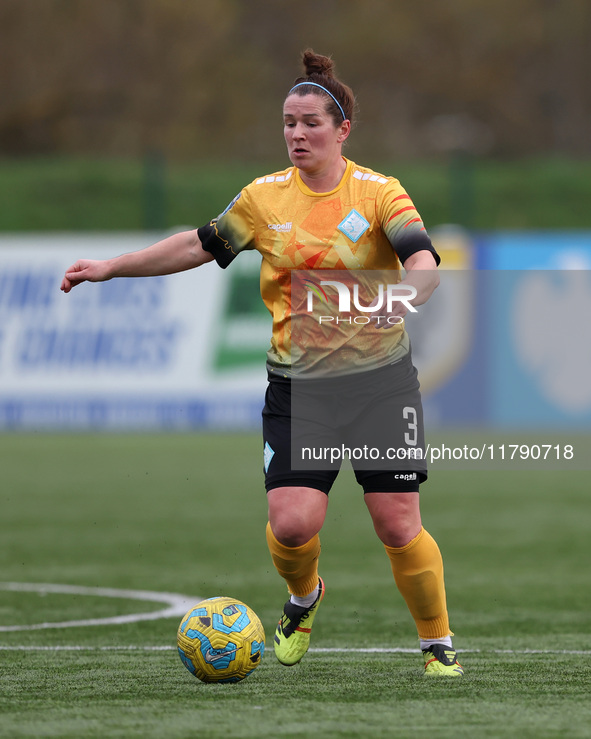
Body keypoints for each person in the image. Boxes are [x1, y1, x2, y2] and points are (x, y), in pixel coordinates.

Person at [61, 49, 463, 677]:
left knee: (395, 522)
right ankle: (303, 599)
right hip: (301, 389)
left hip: (382, 385)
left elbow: (423, 259)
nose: (297, 134)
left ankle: (436, 643)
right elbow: (197, 244)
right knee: (295, 523)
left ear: (343, 130)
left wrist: (404, 295)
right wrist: (113, 266)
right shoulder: (263, 199)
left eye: (311, 123)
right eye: (288, 123)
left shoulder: (379, 193)